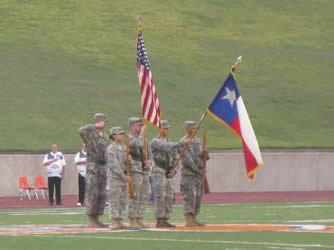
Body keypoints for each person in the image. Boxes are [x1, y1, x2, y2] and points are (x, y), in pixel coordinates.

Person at [150, 120, 192, 227]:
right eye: (165, 128)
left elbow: (176, 157)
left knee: (169, 196)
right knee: (160, 195)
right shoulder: (155, 141)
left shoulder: (171, 143)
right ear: (159, 129)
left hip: (168, 171)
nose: (167, 130)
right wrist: (182, 143)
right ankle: (159, 219)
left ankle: (165, 218)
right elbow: (166, 147)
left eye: (168, 128)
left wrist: (175, 169)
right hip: (159, 170)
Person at [78, 113, 109, 228]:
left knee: (101, 193)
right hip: (93, 166)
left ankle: (97, 218)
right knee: (93, 192)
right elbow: (80, 130)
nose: (105, 123)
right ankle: (91, 219)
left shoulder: (105, 136)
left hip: (103, 166)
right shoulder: (90, 134)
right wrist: (94, 125)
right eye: (103, 121)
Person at [180, 121, 209, 227]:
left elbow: (204, 157)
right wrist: (198, 171)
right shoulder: (184, 142)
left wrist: (206, 152)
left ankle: (194, 218)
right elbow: (188, 160)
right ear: (187, 129)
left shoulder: (198, 141)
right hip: (189, 174)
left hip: (198, 174)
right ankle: (188, 219)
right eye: (192, 128)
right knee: (190, 196)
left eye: (195, 128)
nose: (195, 130)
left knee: (198, 196)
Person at [127, 117, 151, 228]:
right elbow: (138, 145)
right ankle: (132, 219)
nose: (140, 127)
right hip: (135, 169)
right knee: (135, 195)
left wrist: (149, 160)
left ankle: (139, 217)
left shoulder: (144, 139)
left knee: (143, 195)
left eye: (141, 125)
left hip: (144, 169)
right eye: (138, 125)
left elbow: (148, 152)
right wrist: (142, 134)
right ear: (132, 126)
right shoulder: (130, 138)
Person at [106, 126, 131, 229]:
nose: (122, 135)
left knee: (123, 199)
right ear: (114, 136)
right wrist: (123, 175)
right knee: (115, 199)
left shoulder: (125, 148)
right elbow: (113, 164)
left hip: (124, 177)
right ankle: (114, 220)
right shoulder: (111, 148)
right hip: (115, 177)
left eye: (122, 133)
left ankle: (120, 219)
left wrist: (129, 159)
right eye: (119, 134)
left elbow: (128, 164)